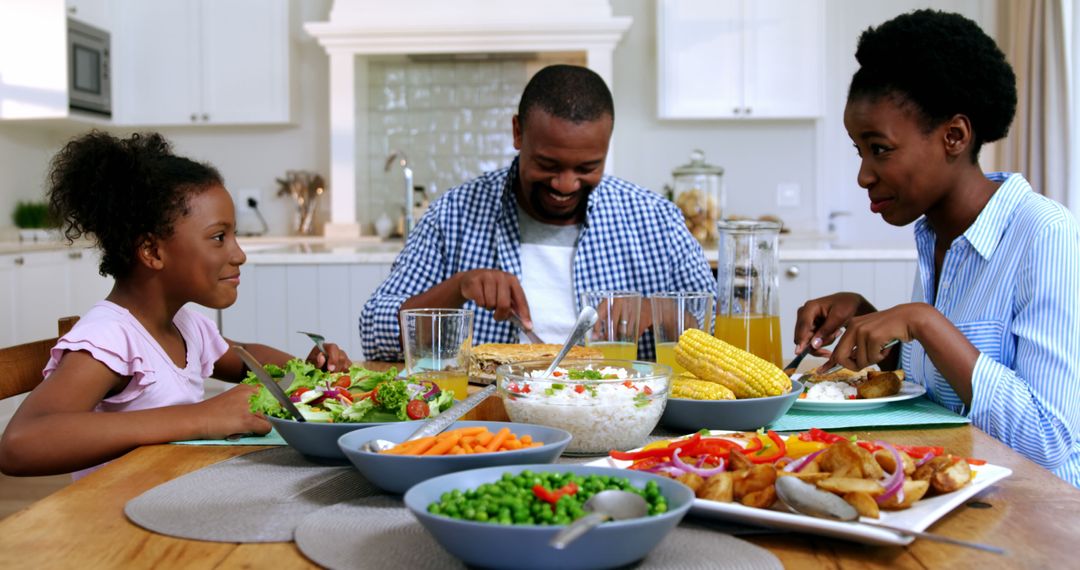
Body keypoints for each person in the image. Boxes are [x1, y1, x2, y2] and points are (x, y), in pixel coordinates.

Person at [793, 10, 1080, 487]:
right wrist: (877, 328)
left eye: (879, 148)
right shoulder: (934, 237)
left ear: (954, 137)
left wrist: (923, 321)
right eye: (858, 151)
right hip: (961, 497)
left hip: (1042, 521)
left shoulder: (1043, 232)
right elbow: (949, 396)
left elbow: (1050, 441)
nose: (863, 175)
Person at [0, 131, 352, 478]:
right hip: (110, 521)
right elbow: (20, 444)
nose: (239, 254)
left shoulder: (184, 326)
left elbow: (245, 357)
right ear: (152, 251)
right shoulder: (110, 338)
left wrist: (310, 369)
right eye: (219, 237)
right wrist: (200, 418)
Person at [361, 65, 714, 361]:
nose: (565, 184)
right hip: (491, 427)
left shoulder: (656, 220)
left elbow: (722, 332)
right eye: (548, 164)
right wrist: (459, 286)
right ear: (518, 133)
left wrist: (665, 312)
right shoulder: (452, 215)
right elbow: (375, 333)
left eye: (587, 167)